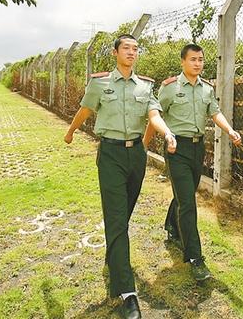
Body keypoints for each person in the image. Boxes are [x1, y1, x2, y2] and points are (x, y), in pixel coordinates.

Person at [64, 34, 176, 319]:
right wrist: (71, 131)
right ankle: (127, 292)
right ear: (115, 53)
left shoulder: (145, 85)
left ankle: (113, 257)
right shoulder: (100, 83)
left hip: (136, 155)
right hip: (111, 154)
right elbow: (85, 109)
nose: (131, 52)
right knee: (116, 218)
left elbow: (154, 115)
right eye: (126, 48)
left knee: (122, 215)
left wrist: (167, 133)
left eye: (135, 49)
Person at [143, 43, 242, 281]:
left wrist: (229, 130)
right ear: (183, 62)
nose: (197, 64)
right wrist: (144, 144)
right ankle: (196, 259)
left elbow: (215, 112)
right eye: (193, 59)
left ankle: (171, 227)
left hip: (198, 149)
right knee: (188, 203)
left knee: (184, 194)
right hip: (176, 148)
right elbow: (154, 115)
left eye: (200, 60)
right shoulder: (169, 88)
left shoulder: (206, 88)